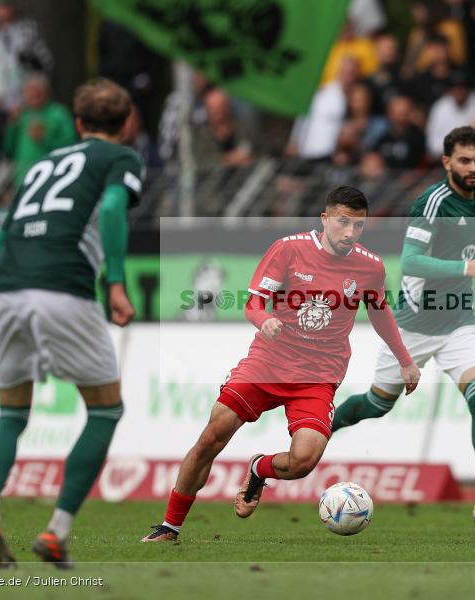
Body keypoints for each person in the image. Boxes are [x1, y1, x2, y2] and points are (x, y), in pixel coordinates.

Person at [141, 187, 421, 543]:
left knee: (304, 461)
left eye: (359, 225)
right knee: (212, 437)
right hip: (268, 363)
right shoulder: (288, 249)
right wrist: (265, 321)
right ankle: (170, 527)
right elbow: (253, 303)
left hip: (318, 376)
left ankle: (259, 468)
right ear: (325, 219)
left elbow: (379, 312)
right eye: (343, 222)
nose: (350, 232)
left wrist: (405, 360)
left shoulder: (369, 266)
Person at [0, 78, 144, 568]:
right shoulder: (121, 158)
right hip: (63, 288)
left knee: (11, 414)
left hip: (6, 289)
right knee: (105, 410)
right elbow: (112, 206)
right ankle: (56, 531)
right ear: (126, 124)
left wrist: (11, 288)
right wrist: (115, 281)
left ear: (78, 123)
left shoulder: (41, 166)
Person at [331, 126, 475, 525]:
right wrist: (467, 267)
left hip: (458, 321)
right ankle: (319, 428)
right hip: (413, 325)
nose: (473, 168)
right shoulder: (432, 202)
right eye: (464, 160)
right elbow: (410, 261)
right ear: (447, 162)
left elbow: (471, 248)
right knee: (376, 405)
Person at [4, 75, 77, 186]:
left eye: (36, 91)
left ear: (46, 93)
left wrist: (44, 139)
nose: (32, 96)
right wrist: (11, 127)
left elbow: (72, 145)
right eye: (29, 93)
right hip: (22, 179)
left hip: (50, 178)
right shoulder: (22, 115)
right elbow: (8, 149)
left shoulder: (59, 113)